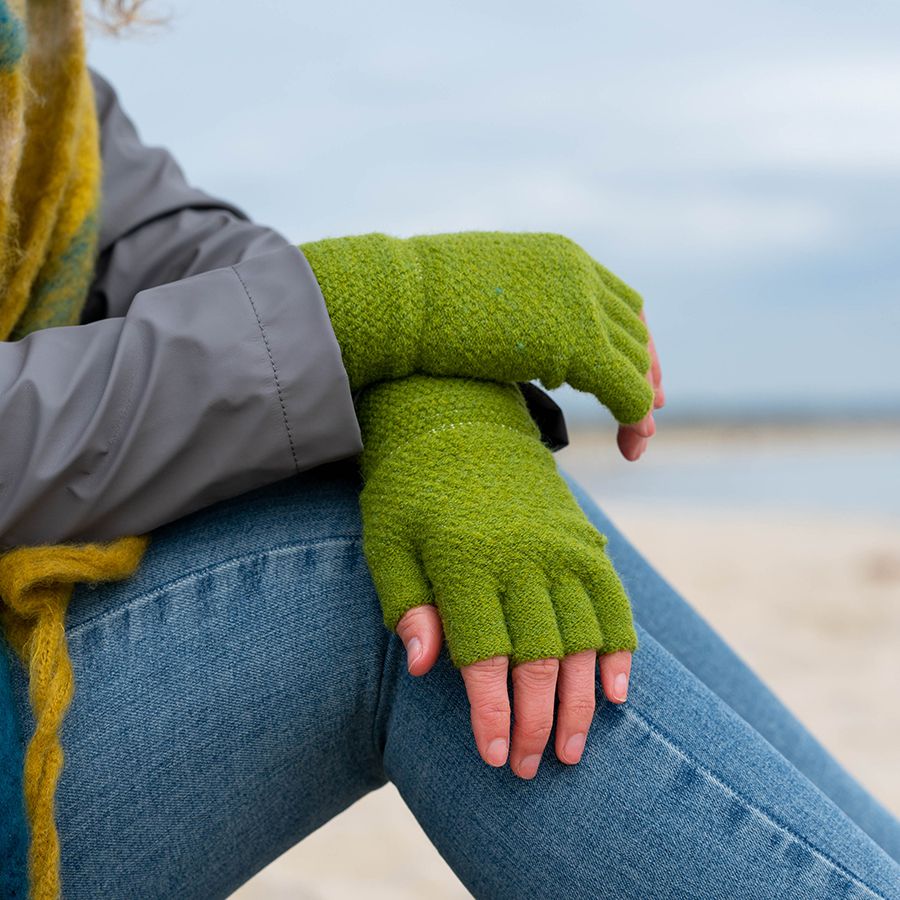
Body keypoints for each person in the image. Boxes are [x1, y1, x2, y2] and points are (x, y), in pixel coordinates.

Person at [1, 2, 898, 898]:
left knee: (496, 534)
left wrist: (435, 402)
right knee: (403, 595)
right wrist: (395, 308)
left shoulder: (38, 40)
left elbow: (172, 248)